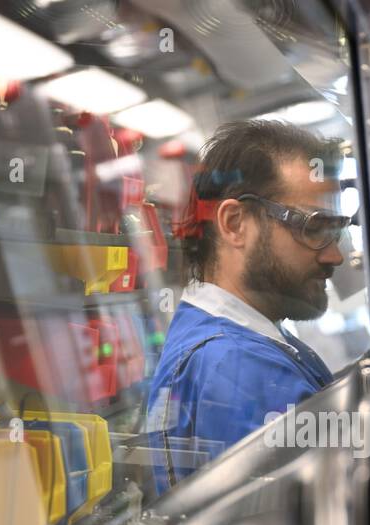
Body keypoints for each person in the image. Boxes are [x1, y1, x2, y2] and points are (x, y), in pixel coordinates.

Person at [145, 120, 350, 492]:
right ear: (235, 224)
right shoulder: (237, 367)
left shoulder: (239, 339)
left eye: (336, 231)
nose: (335, 255)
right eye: (313, 227)